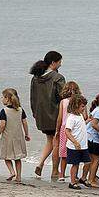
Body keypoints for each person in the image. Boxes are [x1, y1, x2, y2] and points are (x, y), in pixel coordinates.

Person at [28, 51, 65, 180]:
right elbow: (62, 96)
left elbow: (32, 97)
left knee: (50, 141)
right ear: (53, 63)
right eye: (59, 62)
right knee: (57, 142)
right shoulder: (57, 77)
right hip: (55, 114)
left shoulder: (36, 77)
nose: (60, 64)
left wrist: (35, 113)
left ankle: (40, 163)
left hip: (41, 114)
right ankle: (55, 171)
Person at [0, 88, 30, 183]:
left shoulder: (4, 111)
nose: (1, 99)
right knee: (18, 158)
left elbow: (2, 125)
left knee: (6, 157)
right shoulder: (20, 110)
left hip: (7, 137)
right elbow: (25, 123)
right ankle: (19, 177)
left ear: (7, 98)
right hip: (18, 137)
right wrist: (27, 134)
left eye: (2, 97)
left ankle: (12, 172)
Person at [55, 81, 82, 183]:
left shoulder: (63, 101)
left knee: (63, 153)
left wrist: (57, 130)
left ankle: (61, 175)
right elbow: (85, 116)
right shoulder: (80, 102)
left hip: (65, 128)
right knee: (77, 151)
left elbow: (60, 117)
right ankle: (74, 175)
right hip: (77, 129)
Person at [62, 95, 90, 190]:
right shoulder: (71, 118)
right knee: (75, 164)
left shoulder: (80, 116)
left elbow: (80, 126)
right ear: (75, 106)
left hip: (83, 145)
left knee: (88, 162)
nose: (84, 108)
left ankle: (83, 178)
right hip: (74, 146)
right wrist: (75, 142)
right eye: (82, 106)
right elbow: (67, 131)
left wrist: (88, 121)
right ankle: (72, 182)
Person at [85, 93, 99, 188]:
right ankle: (91, 180)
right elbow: (94, 124)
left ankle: (91, 178)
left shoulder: (96, 110)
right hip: (93, 139)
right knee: (96, 159)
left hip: (88, 137)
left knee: (93, 159)